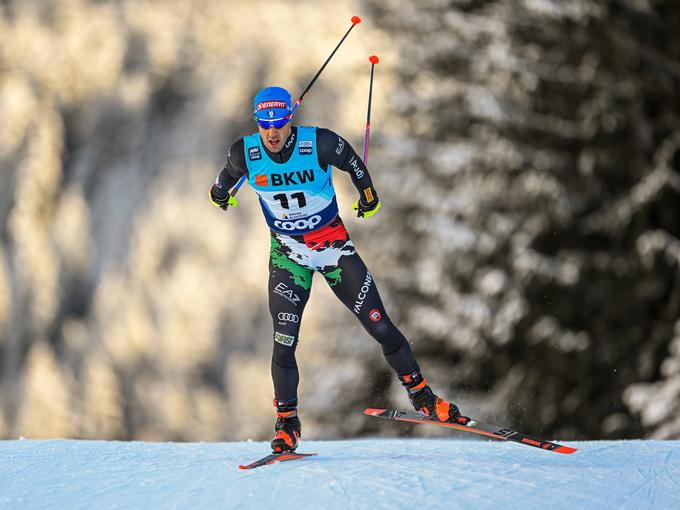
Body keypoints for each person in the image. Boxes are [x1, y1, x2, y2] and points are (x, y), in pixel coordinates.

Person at [210, 86, 465, 453]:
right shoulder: (244, 153)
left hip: (333, 250)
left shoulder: (318, 144)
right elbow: (221, 184)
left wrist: (369, 198)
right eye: (265, 124)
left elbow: (355, 165)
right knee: (284, 342)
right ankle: (287, 424)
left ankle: (423, 396)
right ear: (257, 124)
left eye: (279, 122)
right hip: (288, 257)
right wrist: (221, 194)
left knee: (380, 325)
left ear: (289, 118)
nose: (273, 132)